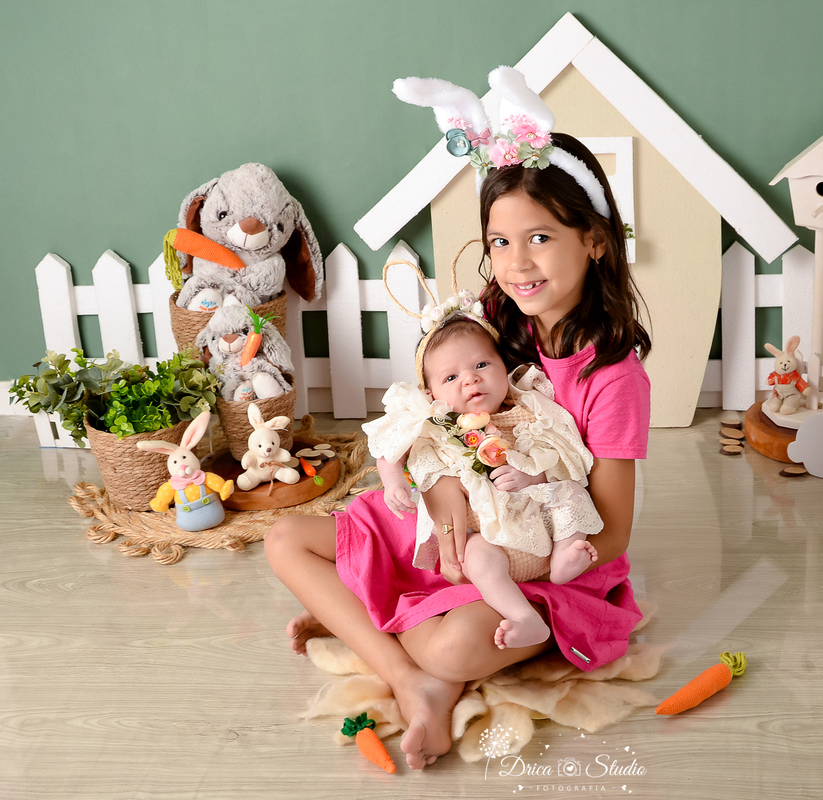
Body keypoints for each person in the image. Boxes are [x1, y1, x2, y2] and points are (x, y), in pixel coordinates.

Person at [265, 66, 651, 770]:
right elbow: (440, 416)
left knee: (456, 643)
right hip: (463, 514)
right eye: (500, 242)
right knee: (286, 538)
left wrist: (516, 515)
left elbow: (615, 529)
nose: (516, 264)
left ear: (594, 239)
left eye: (540, 238)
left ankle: (390, 641)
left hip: (543, 552)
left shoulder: (611, 375)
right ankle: (411, 677)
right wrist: (446, 503)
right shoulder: (499, 320)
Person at [362, 306, 603, 651]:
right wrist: (393, 481)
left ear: (504, 367)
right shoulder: (434, 424)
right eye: (450, 378)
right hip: (489, 539)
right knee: (474, 555)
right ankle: (523, 617)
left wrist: (531, 476)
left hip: (541, 526)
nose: (470, 379)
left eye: (481, 365)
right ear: (429, 394)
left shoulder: (530, 410)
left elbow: (564, 455)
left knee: (571, 494)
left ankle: (566, 558)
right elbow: (389, 445)